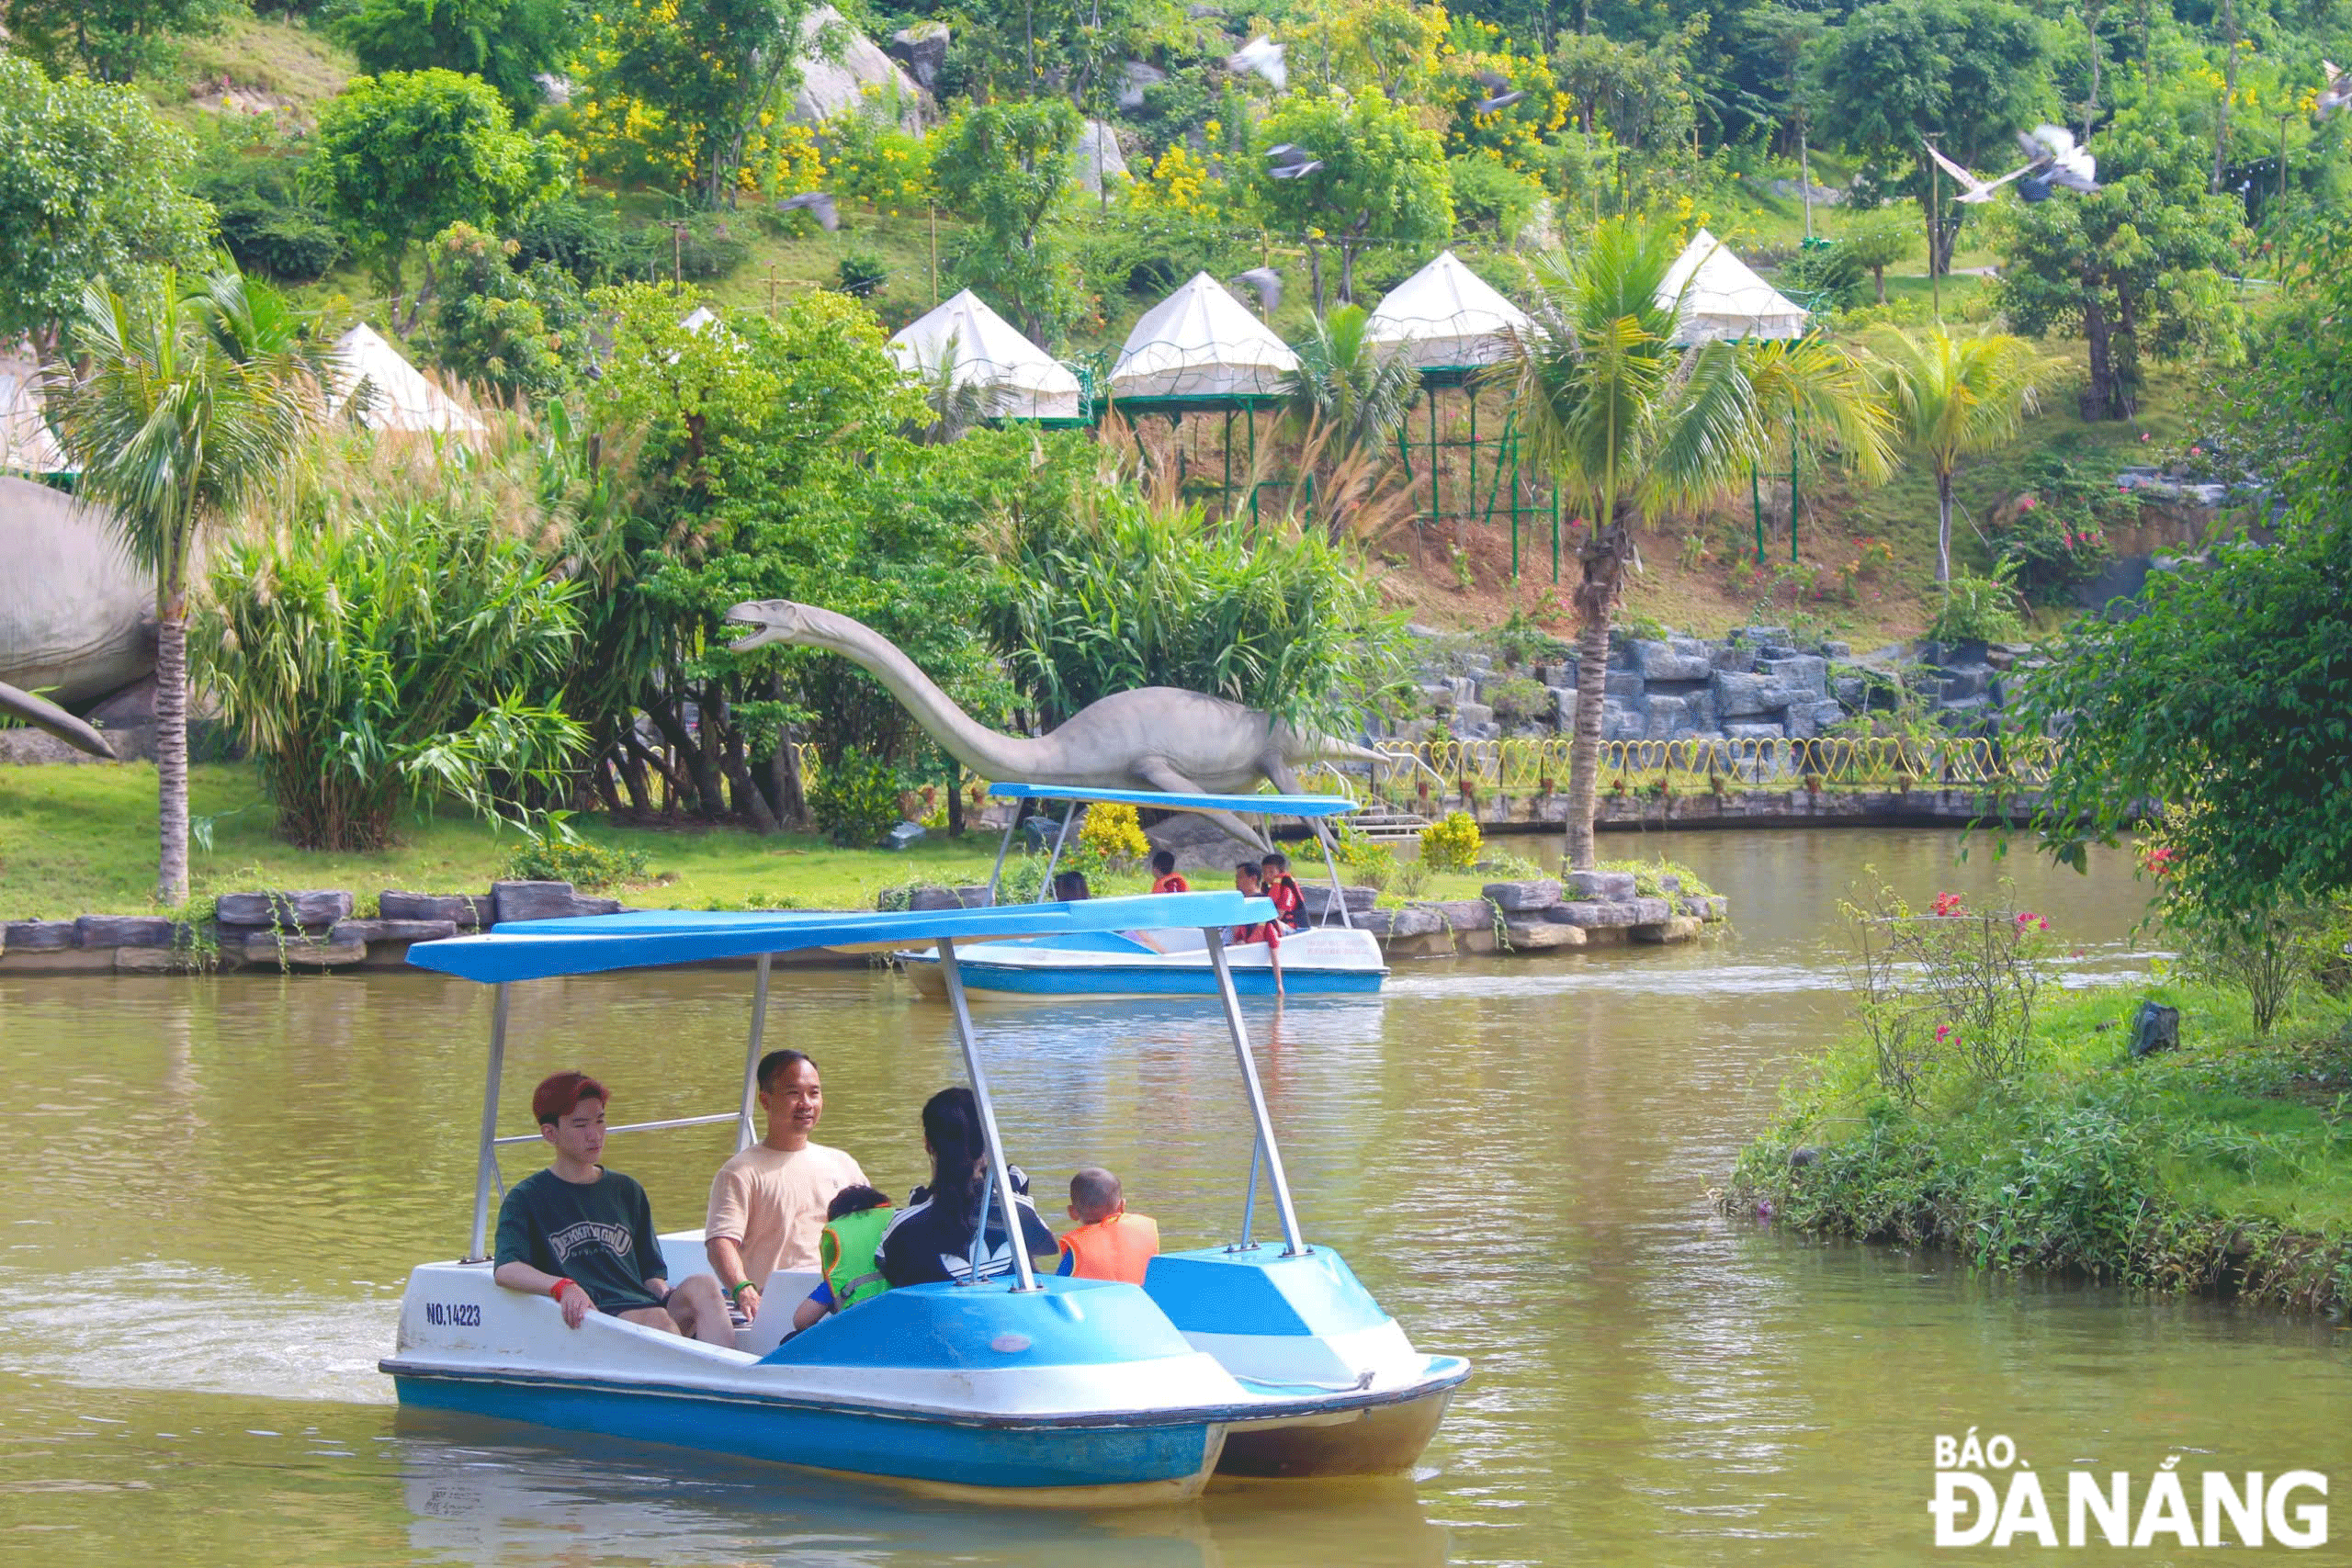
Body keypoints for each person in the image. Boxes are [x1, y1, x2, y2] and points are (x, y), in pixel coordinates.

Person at [492, 1071, 732, 1345]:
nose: (594, 1135)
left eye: (600, 1121)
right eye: (580, 1125)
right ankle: (701, 1377)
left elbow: (650, 1273)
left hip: (643, 1308)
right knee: (656, 1319)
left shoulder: (627, 1190)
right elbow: (506, 1269)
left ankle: (736, 1378)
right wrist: (562, 1286)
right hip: (594, 1318)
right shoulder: (527, 1197)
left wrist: (664, 1293)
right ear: (550, 1133)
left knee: (705, 1285)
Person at [705, 1049, 866, 1325]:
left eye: (814, 1093)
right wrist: (743, 1289)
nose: (806, 1104)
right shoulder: (740, 1172)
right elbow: (720, 1243)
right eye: (794, 1093)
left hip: (840, 1303)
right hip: (775, 1310)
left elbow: (872, 1230)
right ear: (766, 1101)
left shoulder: (843, 1163)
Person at [875, 1086, 1057, 1288]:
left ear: (928, 1144)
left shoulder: (903, 1227)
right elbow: (1047, 1246)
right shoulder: (1019, 1211)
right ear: (987, 1146)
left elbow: (888, 1269)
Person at [789, 1184, 895, 1330]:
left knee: (791, 1339)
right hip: (908, 1330)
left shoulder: (843, 1274)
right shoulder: (908, 1247)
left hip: (862, 1337)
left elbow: (802, 1320)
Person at [1056, 1167, 1160, 1285]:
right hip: (1142, 1301)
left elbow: (1058, 1286)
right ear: (1122, 1206)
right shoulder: (1144, 1230)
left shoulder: (1076, 1249)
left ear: (1072, 1212)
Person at [1231, 862, 1286, 995]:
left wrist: (1279, 984)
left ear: (1253, 879)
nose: (1236, 881)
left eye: (1240, 877)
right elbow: (1236, 934)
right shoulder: (1239, 904)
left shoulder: (1263, 910)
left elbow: (1274, 949)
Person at [1261, 851, 1307, 931]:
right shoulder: (1267, 889)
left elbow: (1279, 916)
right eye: (1264, 872)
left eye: (1271, 872)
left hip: (1291, 929)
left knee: (1264, 925)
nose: (1267, 875)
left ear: (1281, 872)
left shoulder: (1287, 890)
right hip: (1274, 925)